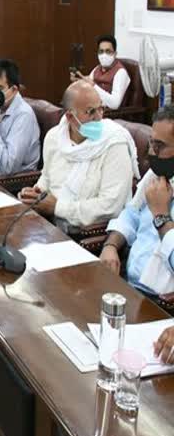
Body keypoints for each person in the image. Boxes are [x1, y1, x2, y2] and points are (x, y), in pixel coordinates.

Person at [19, 81, 137, 231]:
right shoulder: (54, 137)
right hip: (48, 225)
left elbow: (111, 206)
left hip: (86, 234)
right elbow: (46, 178)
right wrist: (35, 194)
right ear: (69, 116)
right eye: (90, 112)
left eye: (100, 109)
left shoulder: (114, 143)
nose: (98, 117)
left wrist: (57, 207)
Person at [101, 105, 174, 308]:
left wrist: (161, 215)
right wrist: (110, 246)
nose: (152, 152)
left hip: (160, 301)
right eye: (151, 143)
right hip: (127, 285)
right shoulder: (156, 176)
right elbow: (130, 214)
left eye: (160, 146)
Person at [71, 34, 130, 110]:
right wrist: (78, 81)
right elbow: (87, 88)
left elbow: (115, 104)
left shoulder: (121, 72)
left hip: (108, 114)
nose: (104, 55)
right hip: (90, 109)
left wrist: (93, 85)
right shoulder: (97, 69)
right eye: (101, 51)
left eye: (108, 51)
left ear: (115, 54)